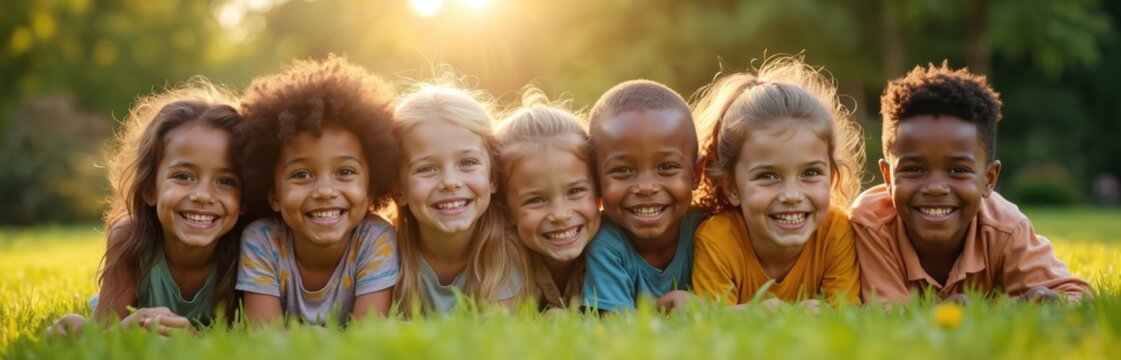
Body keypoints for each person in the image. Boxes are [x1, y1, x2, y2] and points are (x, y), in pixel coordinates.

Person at [852, 62, 1091, 304]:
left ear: (989, 179)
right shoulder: (871, 225)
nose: (936, 188)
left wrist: (1040, 302)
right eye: (914, 169)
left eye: (958, 170)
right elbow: (887, 313)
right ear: (888, 177)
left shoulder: (1005, 229)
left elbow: (1076, 294)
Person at [47, 78, 244, 336]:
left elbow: (248, 336)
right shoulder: (130, 239)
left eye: (225, 181)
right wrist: (126, 328)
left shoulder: (250, 248)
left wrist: (193, 339)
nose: (203, 196)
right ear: (150, 188)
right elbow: (104, 333)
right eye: (184, 176)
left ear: (246, 200)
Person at [235, 55, 400, 326]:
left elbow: (368, 335)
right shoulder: (262, 241)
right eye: (302, 175)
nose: (325, 191)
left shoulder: (375, 240)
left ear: (370, 191)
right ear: (273, 194)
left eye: (345, 172)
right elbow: (264, 338)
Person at [691, 56, 864, 309]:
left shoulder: (835, 233)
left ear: (832, 177)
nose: (792, 195)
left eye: (811, 173)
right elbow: (711, 323)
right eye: (768, 176)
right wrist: (761, 313)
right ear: (731, 187)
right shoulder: (717, 241)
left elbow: (845, 316)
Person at [392, 83, 529, 315]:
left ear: (493, 177)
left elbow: (496, 337)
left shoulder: (506, 252)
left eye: (467, 163)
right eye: (427, 168)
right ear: (398, 190)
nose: (450, 182)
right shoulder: (386, 253)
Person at [581, 80, 704, 312]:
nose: (646, 187)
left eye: (667, 166)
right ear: (596, 181)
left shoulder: (708, 232)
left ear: (696, 173)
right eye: (623, 170)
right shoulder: (607, 245)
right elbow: (616, 329)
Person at [496, 88, 601, 311]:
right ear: (506, 210)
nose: (561, 215)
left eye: (575, 192)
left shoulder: (615, 248)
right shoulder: (502, 253)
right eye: (536, 200)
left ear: (599, 192)